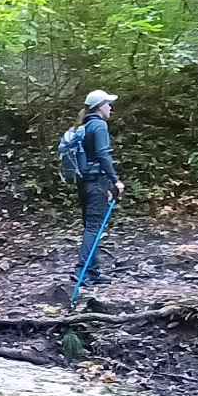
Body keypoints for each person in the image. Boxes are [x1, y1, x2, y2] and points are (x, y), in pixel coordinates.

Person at [74, 90, 123, 280]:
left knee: (90, 226)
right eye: (108, 104)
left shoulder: (83, 127)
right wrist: (115, 180)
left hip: (84, 182)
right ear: (100, 106)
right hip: (97, 181)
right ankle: (82, 273)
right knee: (94, 227)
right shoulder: (99, 126)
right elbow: (103, 155)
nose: (110, 107)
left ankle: (92, 271)